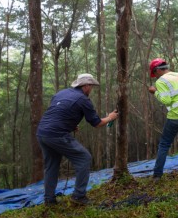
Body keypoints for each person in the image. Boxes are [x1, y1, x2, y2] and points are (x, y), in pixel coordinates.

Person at [36, 73, 119, 206]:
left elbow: (57, 111)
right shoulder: (83, 99)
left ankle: (49, 200)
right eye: (90, 86)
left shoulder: (61, 93)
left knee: (51, 166)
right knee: (84, 158)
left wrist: (70, 124)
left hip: (42, 133)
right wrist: (110, 117)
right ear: (85, 86)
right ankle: (79, 196)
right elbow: (97, 123)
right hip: (57, 135)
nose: (91, 89)